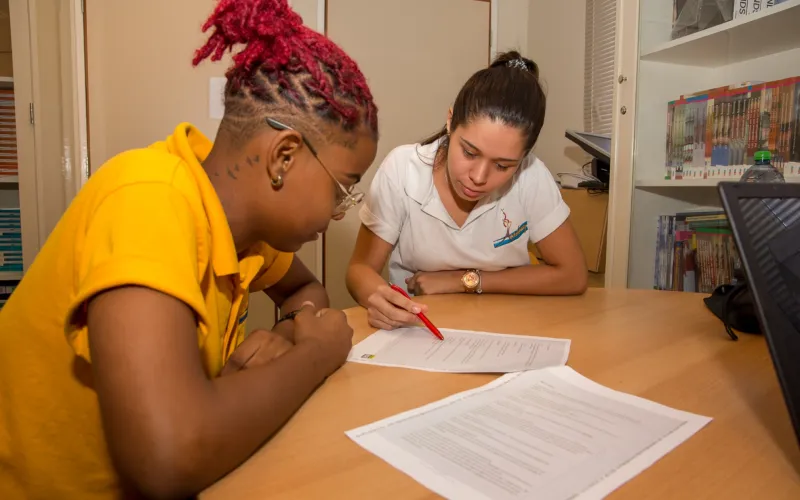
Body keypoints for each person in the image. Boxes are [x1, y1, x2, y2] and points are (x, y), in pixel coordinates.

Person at [0, 0, 378, 498]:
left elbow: (305, 290)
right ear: (283, 157)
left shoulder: (245, 226)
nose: (339, 210)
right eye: (342, 187)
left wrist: (285, 334)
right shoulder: (148, 200)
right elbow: (167, 457)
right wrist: (312, 355)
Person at [347, 51, 587, 331]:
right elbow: (359, 270)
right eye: (469, 152)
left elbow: (573, 275)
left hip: (507, 329)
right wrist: (381, 301)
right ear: (450, 121)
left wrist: (465, 281)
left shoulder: (531, 176)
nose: (478, 177)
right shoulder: (403, 169)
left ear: (524, 158)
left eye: (503, 165)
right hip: (418, 329)